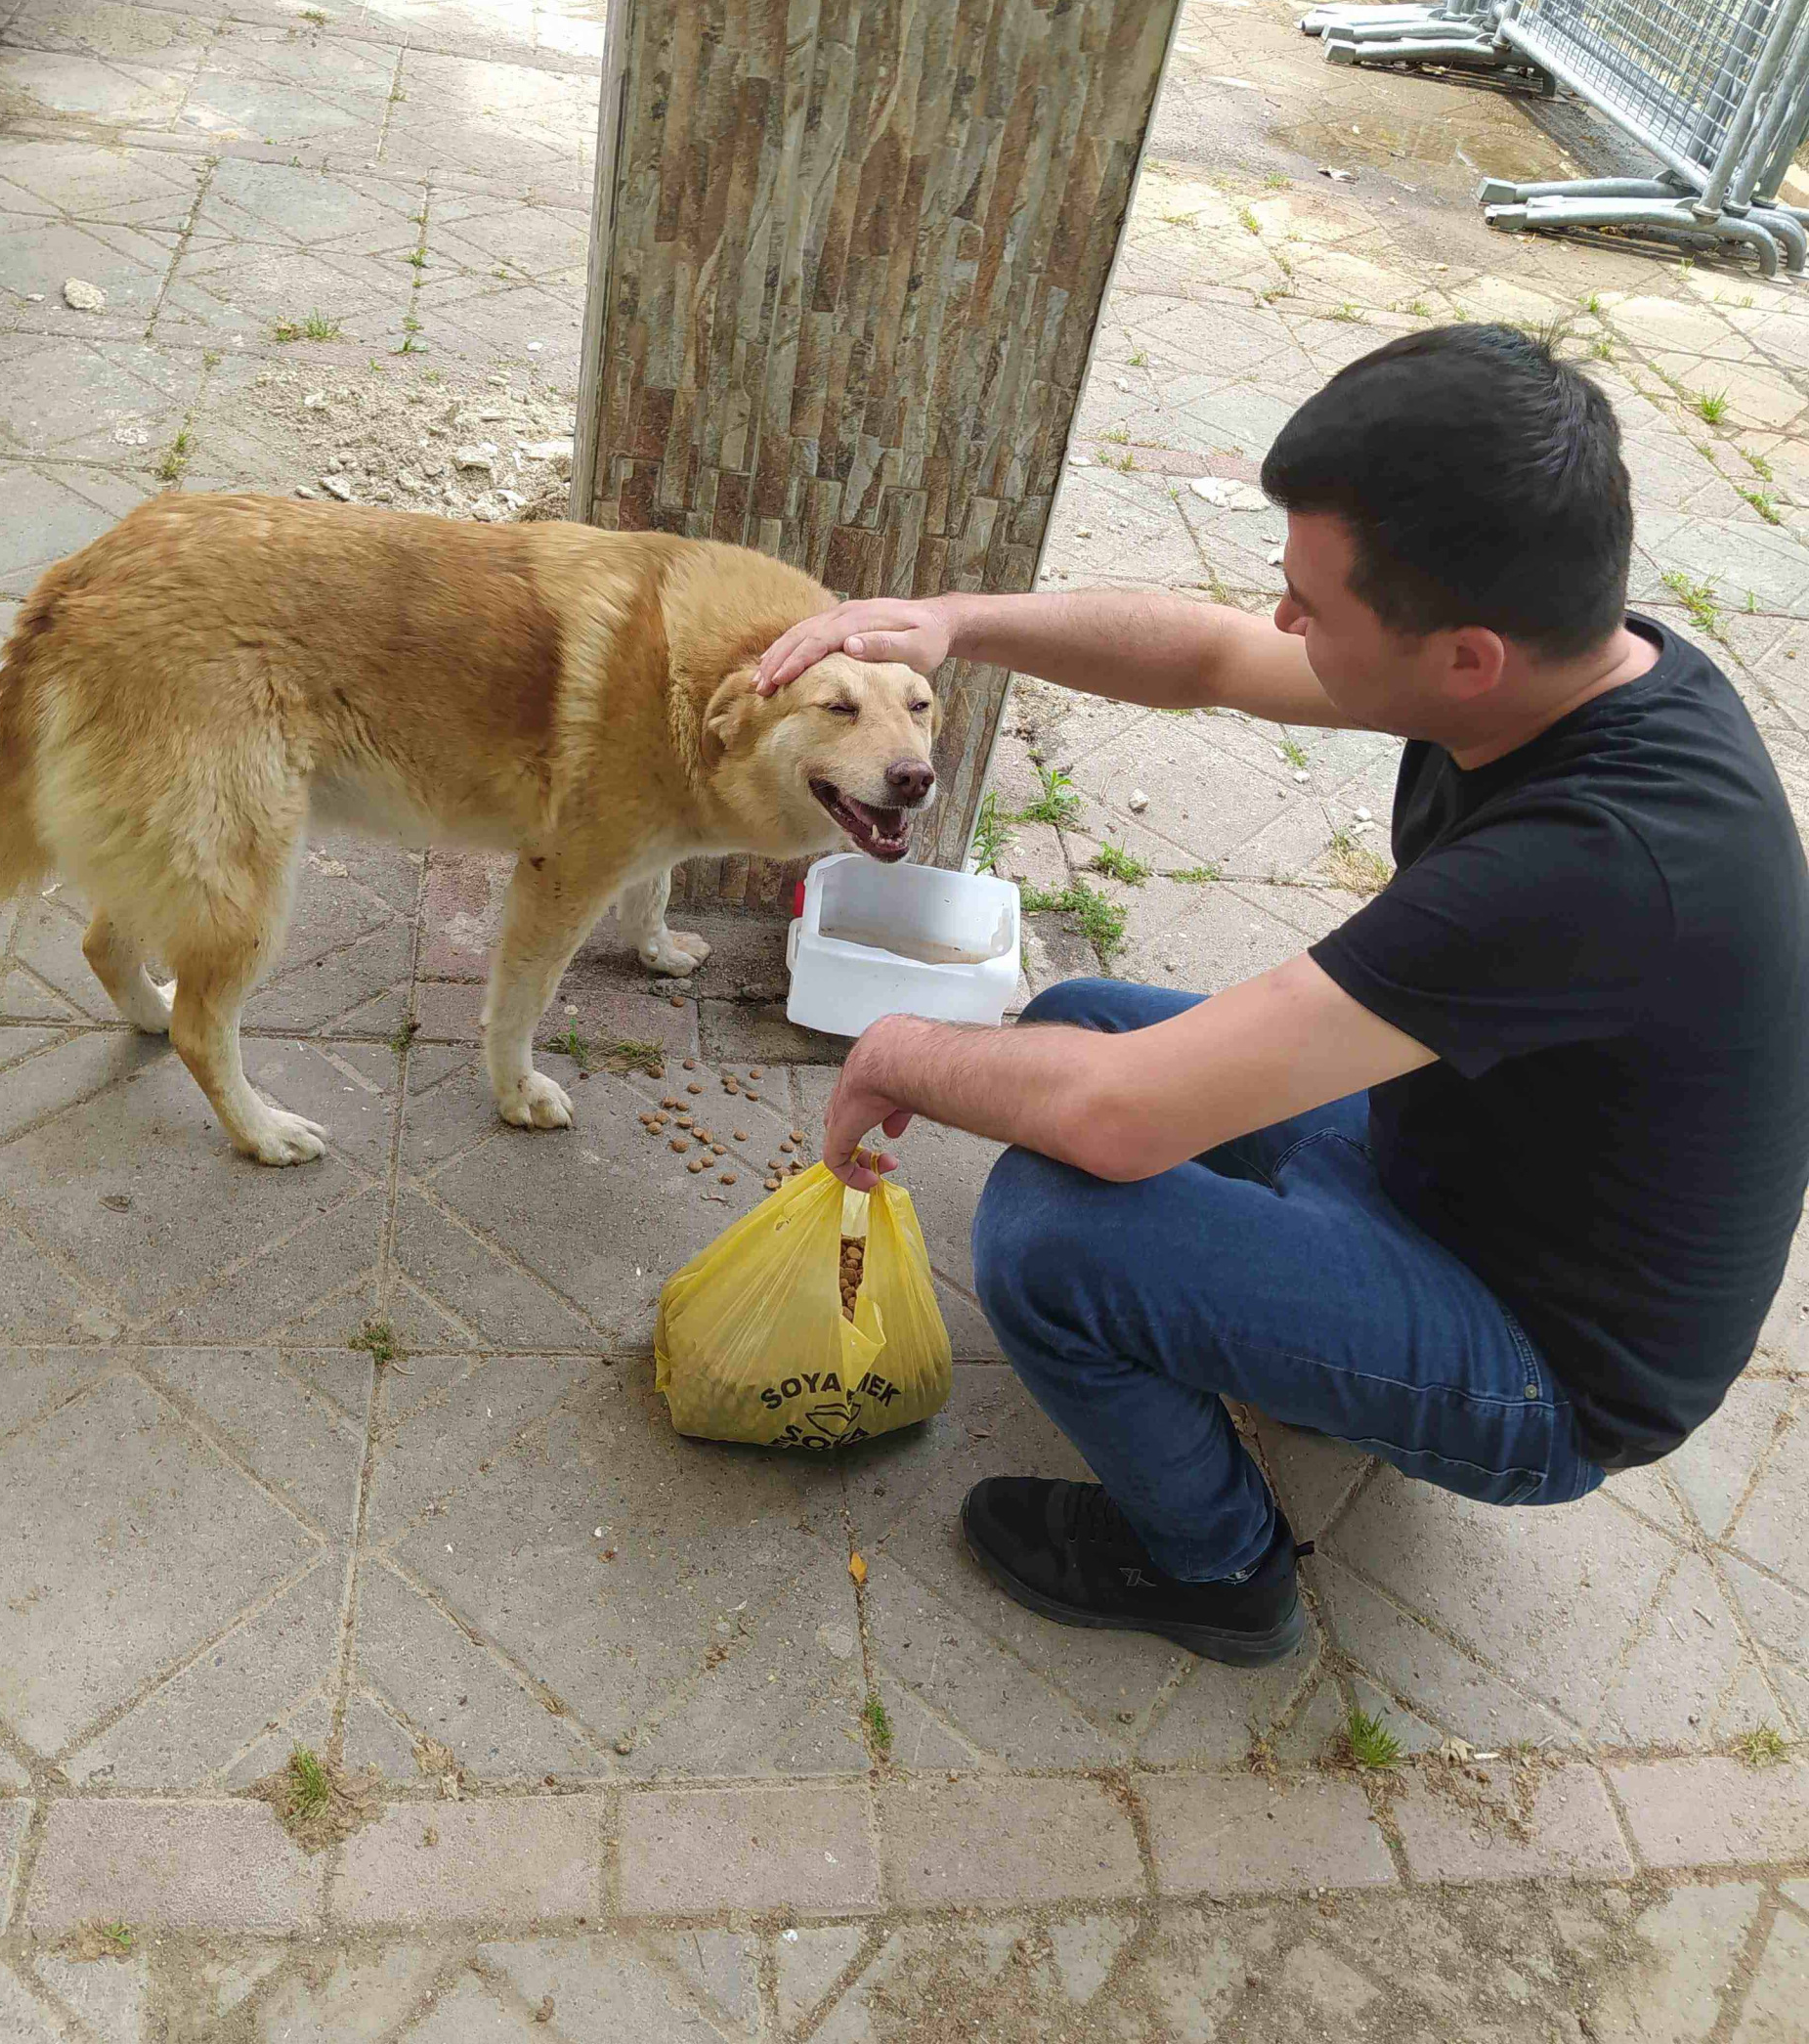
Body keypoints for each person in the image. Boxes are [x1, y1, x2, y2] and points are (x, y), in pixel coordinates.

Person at [752, 325, 1809, 1667]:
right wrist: (958, 624)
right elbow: (1202, 658)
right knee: (1069, 1032)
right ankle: (1301, 1347)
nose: (1283, 626)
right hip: (1451, 1172)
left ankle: (1217, 1569)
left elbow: (1123, 1125)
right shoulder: (1575, 666)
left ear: (1466, 656)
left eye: (1315, 603)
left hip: (1546, 1365)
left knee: (1054, 1230)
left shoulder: (1593, 864)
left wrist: (897, 1048)